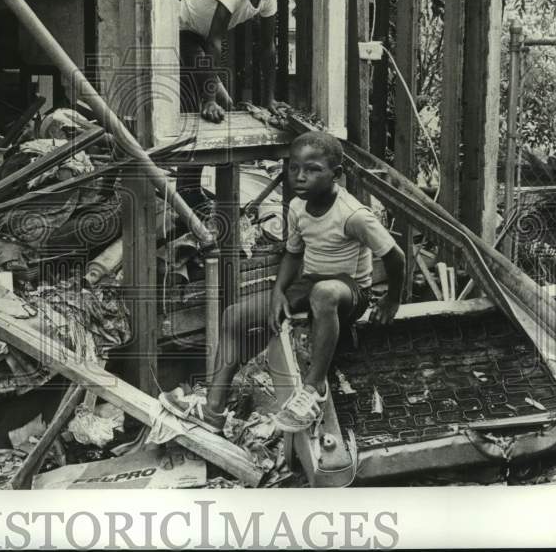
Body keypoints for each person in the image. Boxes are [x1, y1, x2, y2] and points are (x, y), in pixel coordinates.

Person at [160, 130, 406, 433]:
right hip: (311, 282)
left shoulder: (353, 215)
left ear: (336, 175)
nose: (300, 177)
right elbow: (292, 254)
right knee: (234, 316)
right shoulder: (298, 208)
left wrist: (392, 299)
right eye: (294, 169)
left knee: (324, 293)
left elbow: (396, 257)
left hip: (350, 289)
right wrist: (278, 293)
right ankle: (213, 409)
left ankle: (314, 388)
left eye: (313, 170)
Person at [176, 0, 295, 207]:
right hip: (181, 32)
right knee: (204, 109)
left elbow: (268, 49)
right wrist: (208, 99)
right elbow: (215, 41)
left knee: (227, 106)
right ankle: (188, 191)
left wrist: (269, 100)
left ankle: (197, 190)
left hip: (200, 40)